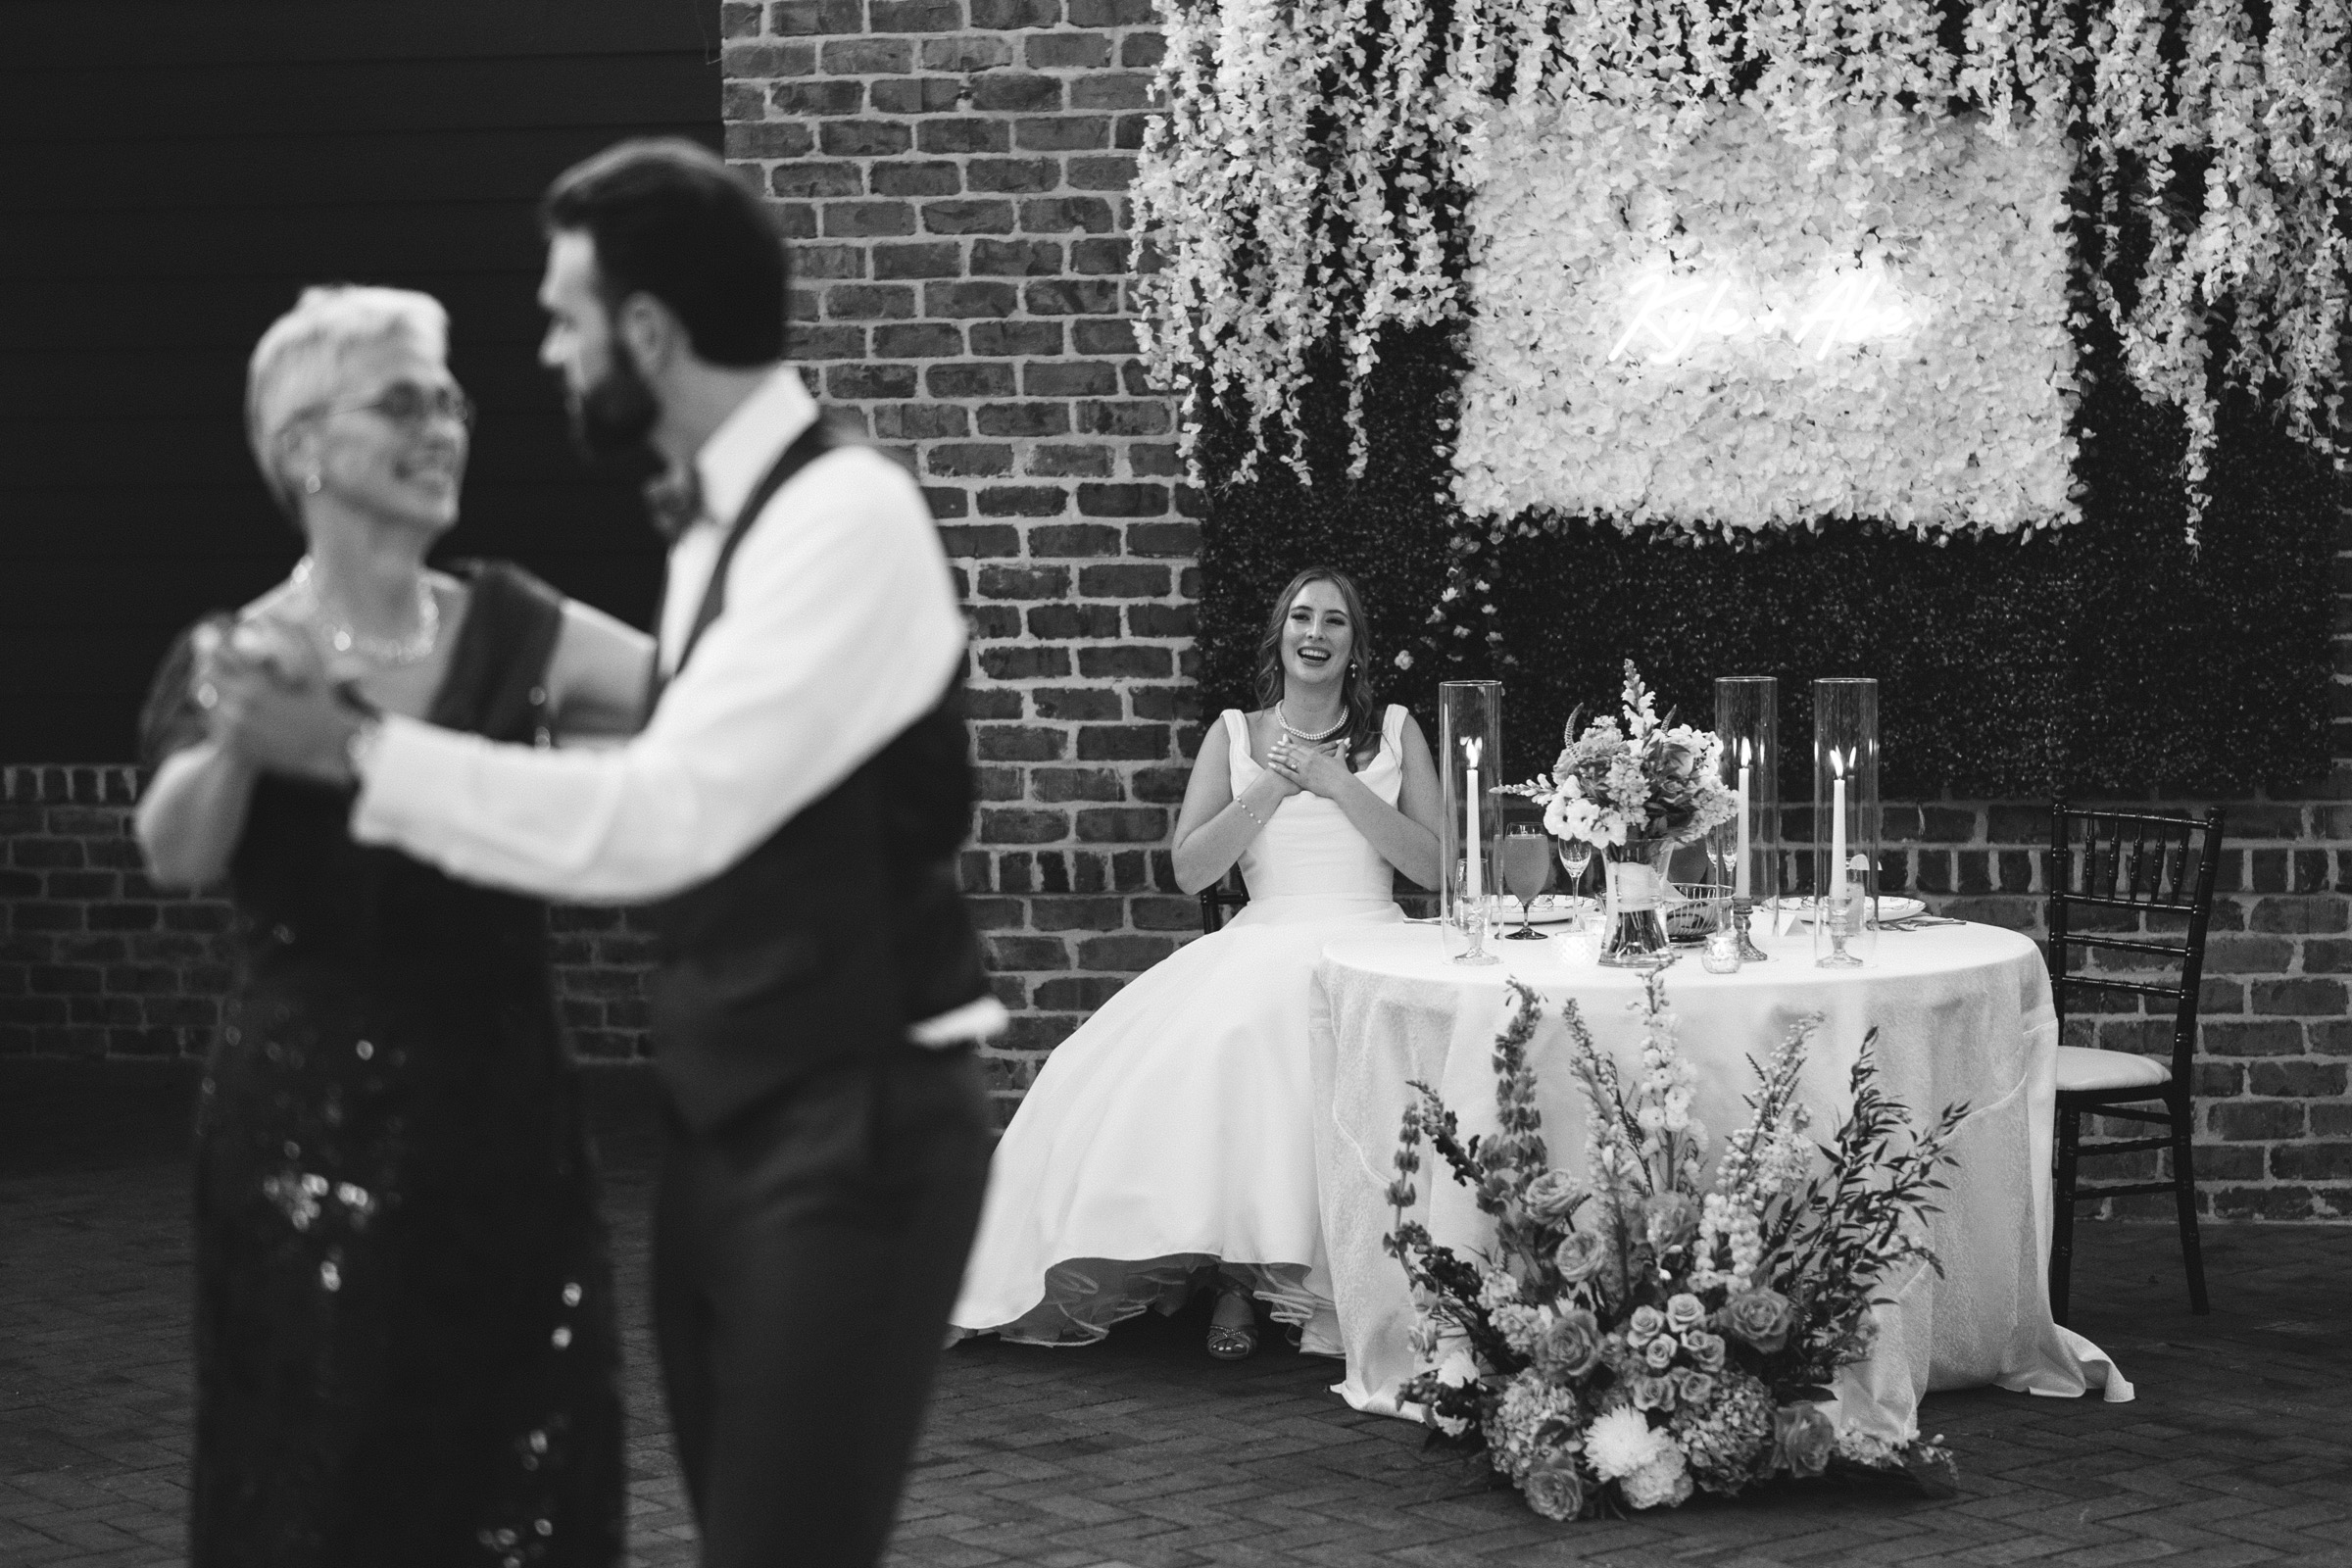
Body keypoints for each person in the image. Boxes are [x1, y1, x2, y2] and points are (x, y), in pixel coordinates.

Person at [193, 139, 1000, 1568]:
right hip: (735, 1121)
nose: (548, 355)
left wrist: (363, 754)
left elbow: (671, 816)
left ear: (646, 331)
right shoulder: (716, 533)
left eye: (566, 318)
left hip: (855, 1126)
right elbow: (694, 783)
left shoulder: (843, 517)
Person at [138, 283, 649, 1565]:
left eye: (452, 401)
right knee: (327, 1471)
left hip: (507, 1120)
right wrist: (247, 744)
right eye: (404, 400)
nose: (444, 428)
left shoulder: (519, 624)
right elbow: (176, 850)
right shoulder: (241, 646)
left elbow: (702, 705)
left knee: (525, 1461)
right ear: (303, 445)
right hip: (307, 1138)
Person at [951, 567, 1444, 1359]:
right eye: (1301, 619)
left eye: (1335, 623)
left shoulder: (1393, 729)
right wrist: (1271, 793)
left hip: (1372, 931)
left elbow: (1431, 865)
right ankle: (1234, 1283)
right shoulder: (1234, 733)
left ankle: (1358, 1278)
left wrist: (1336, 783)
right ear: (1280, 635)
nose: (1315, 634)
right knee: (1239, 1032)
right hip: (1265, 929)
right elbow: (1190, 867)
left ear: (1355, 646)